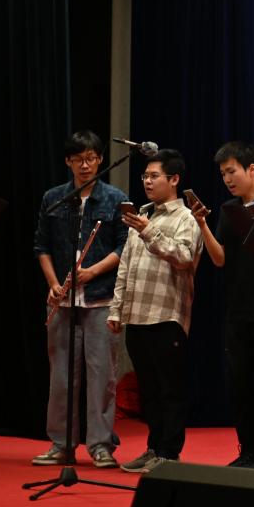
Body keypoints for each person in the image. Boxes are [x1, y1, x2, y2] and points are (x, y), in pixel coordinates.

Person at [192, 141, 254, 468]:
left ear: (251, 169)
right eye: (222, 174)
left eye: (231, 171)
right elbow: (220, 259)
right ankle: (247, 450)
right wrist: (202, 225)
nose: (227, 179)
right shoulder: (229, 209)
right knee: (240, 383)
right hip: (237, 309)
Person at [32, 130, 128, 469]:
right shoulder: (54, 198)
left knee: (102, 377)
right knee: (61, 377)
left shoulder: (115, 198)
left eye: (90, 158)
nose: (84, 165)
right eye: (77, 159)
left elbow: (124, 246)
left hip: (100, 299)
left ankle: (100, 445)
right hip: (62, 300)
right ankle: (61, 443)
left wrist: (92, 271)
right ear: (68, 162)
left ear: (100, 159)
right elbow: (41, 245)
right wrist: (53, 283)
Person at [108, 149, 202, 473]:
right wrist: (116, 309)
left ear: (174, 179)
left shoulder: (186, 218)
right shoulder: (141, 215)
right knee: (148, 391)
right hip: (137, 315)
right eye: (145, 176)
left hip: (167, 315)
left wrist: (148, 231)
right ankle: (153, 448)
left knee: (169, 390)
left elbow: (185, 257)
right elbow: (126, 265)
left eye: (154, 176)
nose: (147, 181)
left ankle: (169, 453)